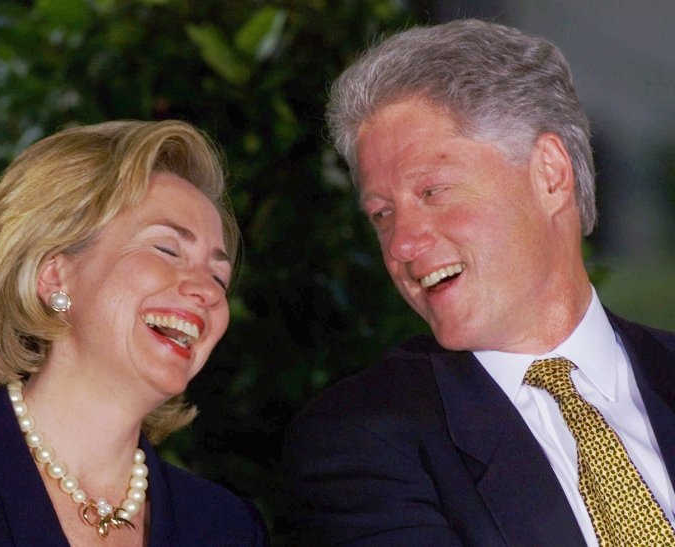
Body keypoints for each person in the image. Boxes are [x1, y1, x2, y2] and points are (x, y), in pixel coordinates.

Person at [284, 18, 675, 546]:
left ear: (550, 174)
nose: (401, 245)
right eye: (381, 214)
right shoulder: (362, 439)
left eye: (433, 191)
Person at [0, 120, 268, 546]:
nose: (207, 290)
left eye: (219, 277)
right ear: (55, 276)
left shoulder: (225, 527)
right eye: (167, 249)